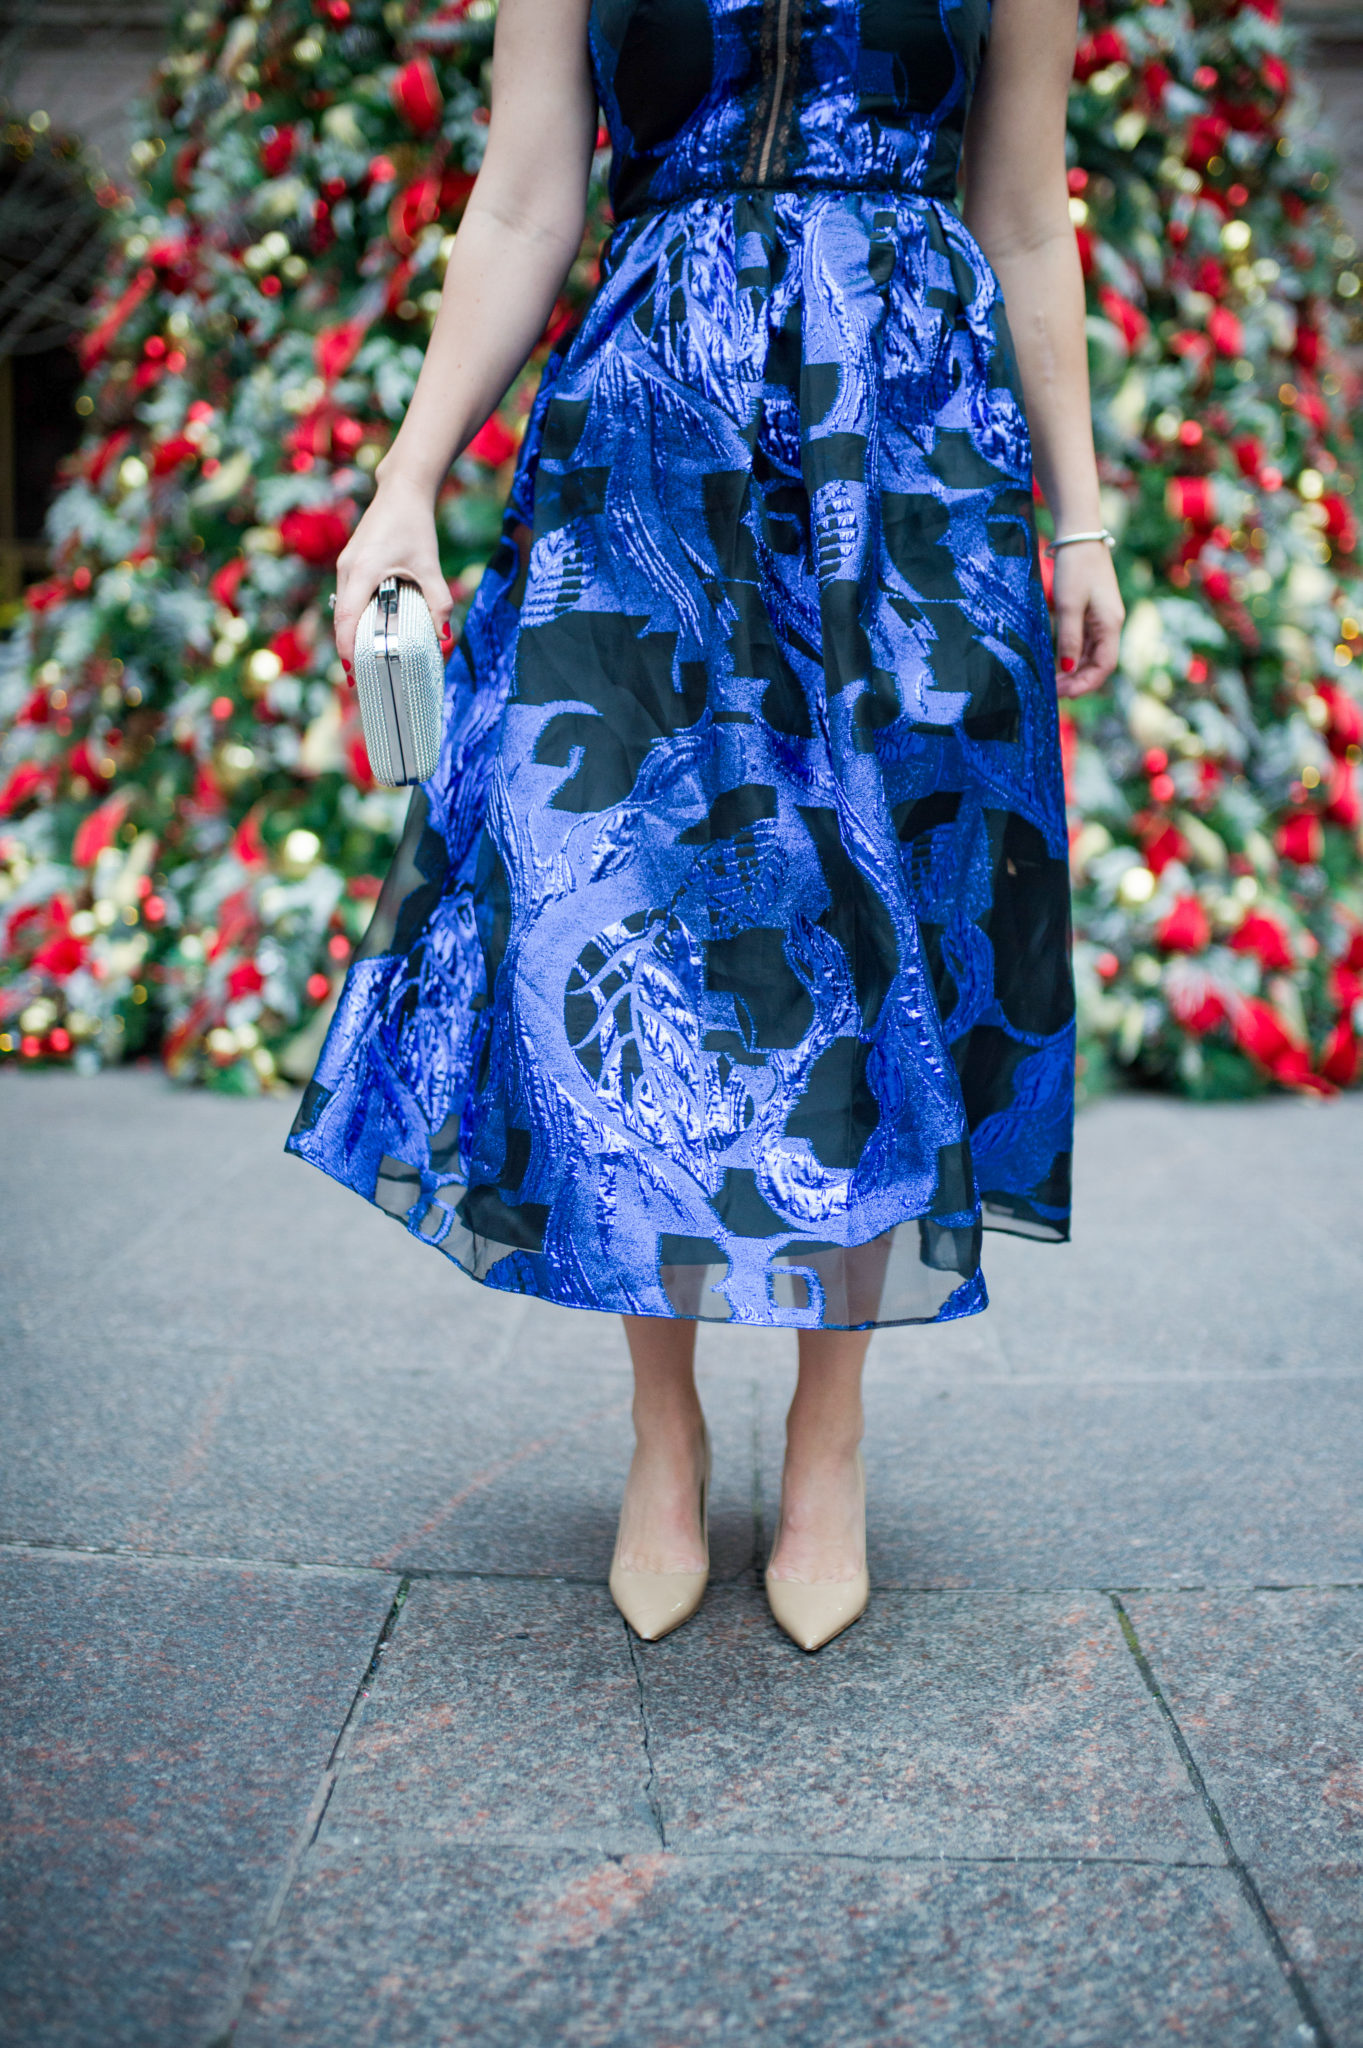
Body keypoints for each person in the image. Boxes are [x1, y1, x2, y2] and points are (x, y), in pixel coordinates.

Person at [289, 0, 1123, 1652]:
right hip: (647, 446)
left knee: (885, 927)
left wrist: (1084, 515)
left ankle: (830, 1437)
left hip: (910, 457)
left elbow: (1026, 210)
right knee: (624, 909)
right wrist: (404, 480)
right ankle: (663, 1428)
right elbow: (529, 198)